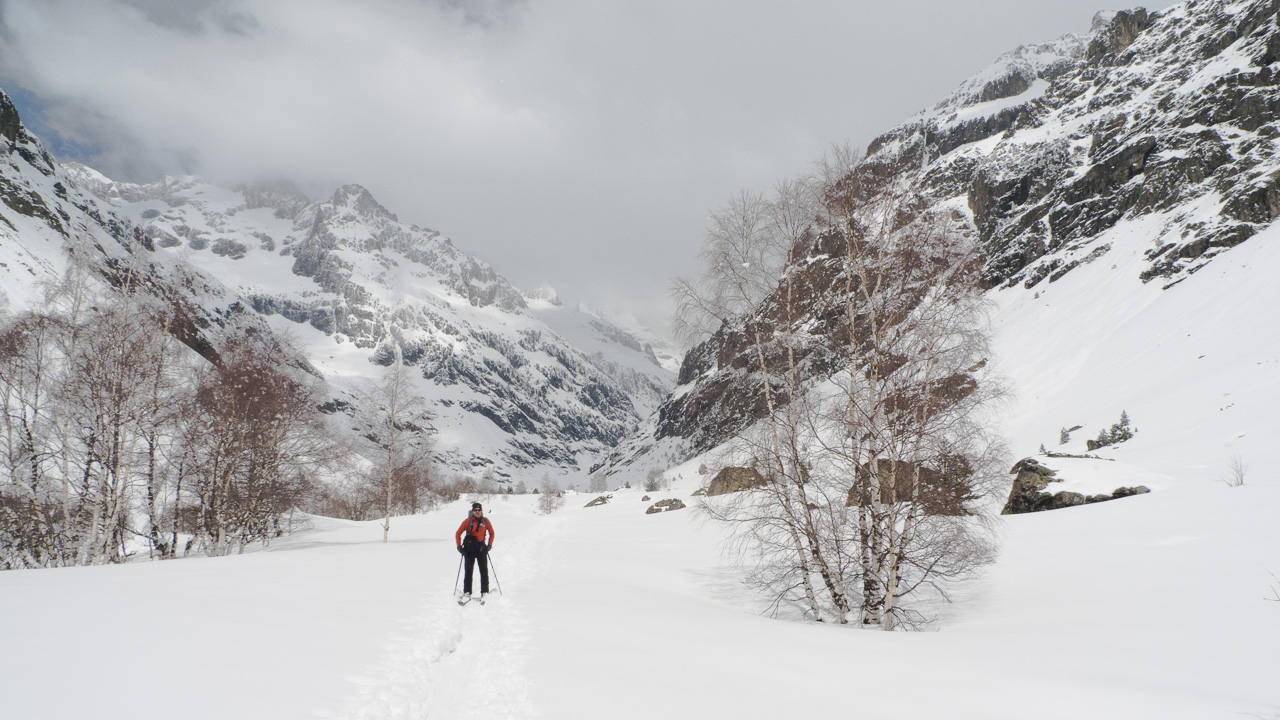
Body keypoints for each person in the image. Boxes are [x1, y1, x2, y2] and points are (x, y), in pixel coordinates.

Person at [455, 502, 495, 602]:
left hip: (481, 548)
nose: (477, 512)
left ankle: (484, 592)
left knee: (483, 571)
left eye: (479, 510)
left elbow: (492, 532)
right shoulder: (467, 521)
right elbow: (458, 533)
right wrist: (459, 547)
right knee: (468, 571)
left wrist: (489, 545)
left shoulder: (485, 521)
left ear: (481, 511)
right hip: (469, 549)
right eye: (475, 510)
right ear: (472, 511)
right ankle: (467, 592)